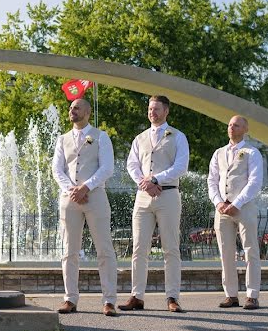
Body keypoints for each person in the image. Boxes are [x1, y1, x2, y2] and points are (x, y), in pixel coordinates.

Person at [119, 95, 189, 313]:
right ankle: (136, 296)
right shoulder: (139, 138)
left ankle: (172, 297)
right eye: (150, 109)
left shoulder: (178, 136)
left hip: (167, 195)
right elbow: (132, 164)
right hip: (143, 196)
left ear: (166, 111)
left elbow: (181, 166)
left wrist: (156, 179)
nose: (152, 112)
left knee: (171, 248)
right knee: (139, 248)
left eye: (157, 109)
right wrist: (144, 182)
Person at [52, 98, 118, 316]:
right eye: (70, 108)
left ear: (88, 112)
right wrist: (72, 189)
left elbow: (107, 168)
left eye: (77, 107)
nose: (72, 110)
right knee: (69, 250)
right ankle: (70, 298)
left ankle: (109, 300)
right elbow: (57, 169)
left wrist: (86, 187)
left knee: (104, 249)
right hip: (69, 198)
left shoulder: (101, 137)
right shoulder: (62, 139)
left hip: (95, 197)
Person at [207, 115, 263, 310]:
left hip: (244, 207)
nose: (232, 127)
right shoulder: (218, 153)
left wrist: (237, 202)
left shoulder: (252, 152)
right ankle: (231, 294)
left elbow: (255, 182)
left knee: (250, 250)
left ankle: (252, 295)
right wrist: (218, 202)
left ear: (245, 129)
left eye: (236, 125)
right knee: (225, 253)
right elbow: (212, 180)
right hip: (222, 209)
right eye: (230, 124)